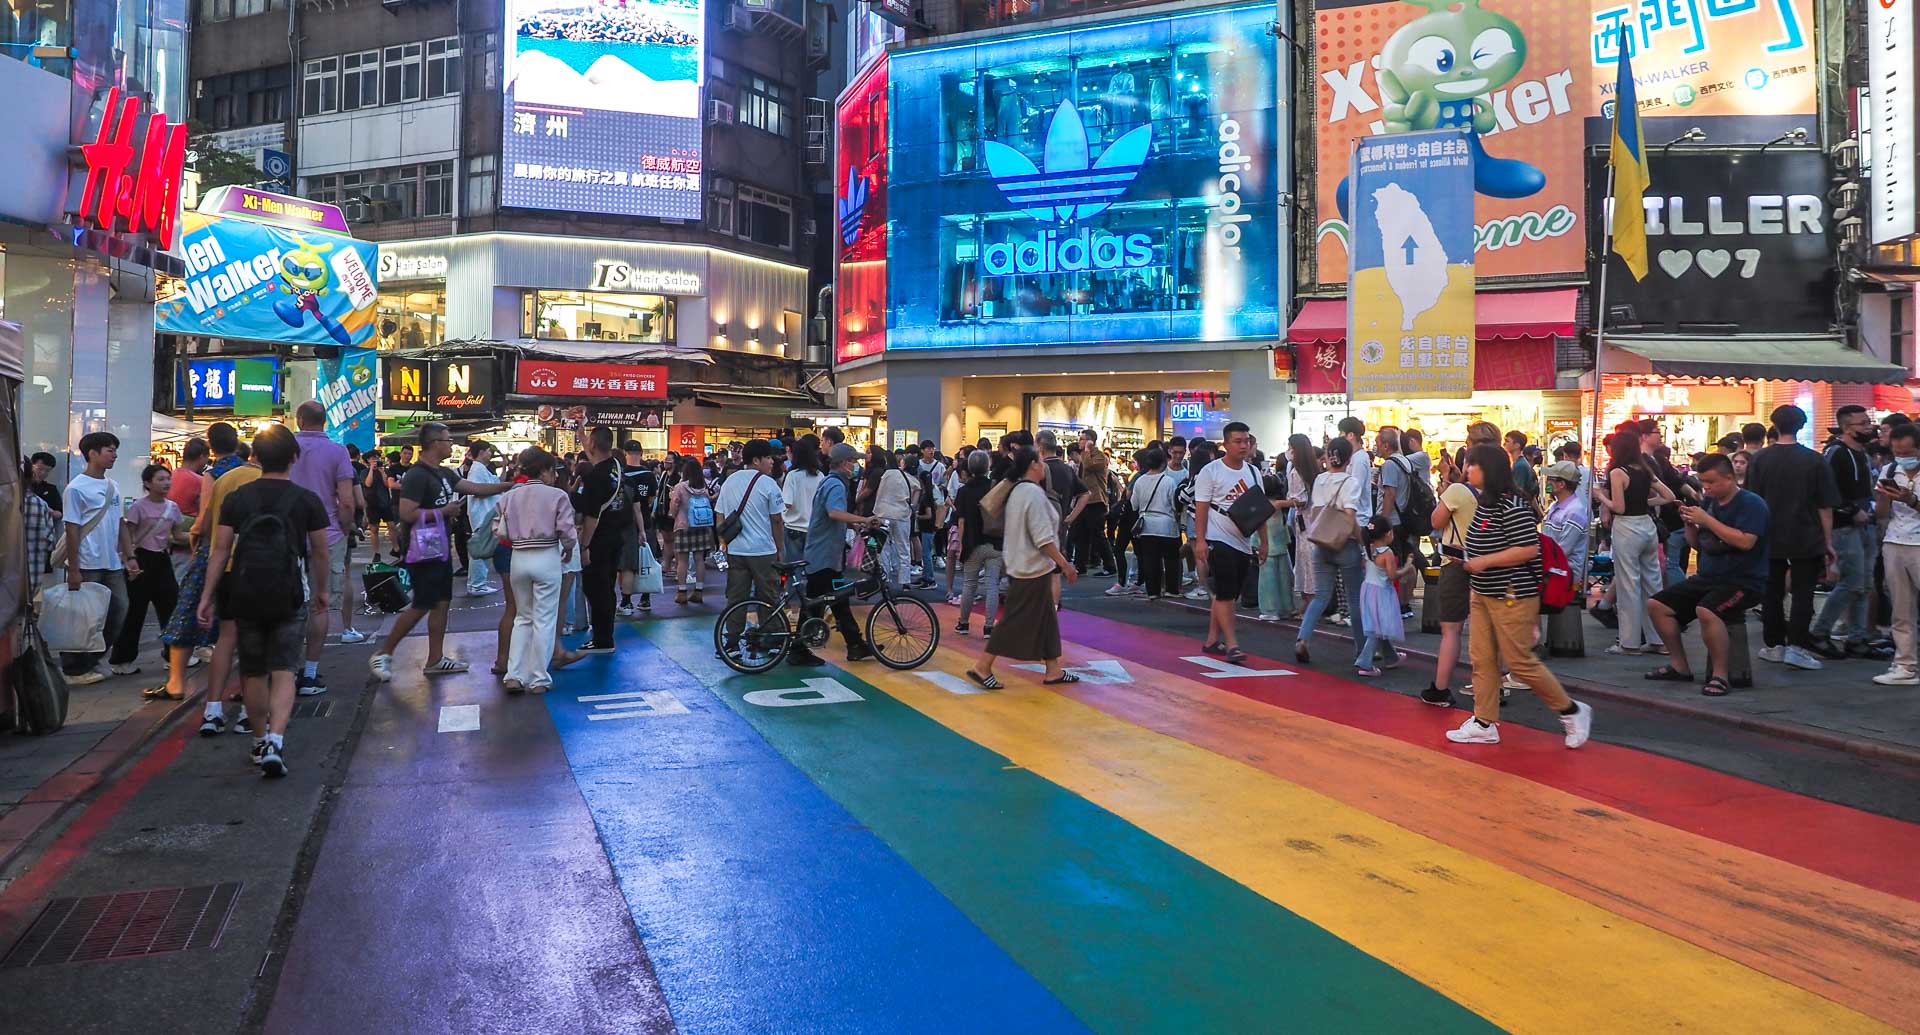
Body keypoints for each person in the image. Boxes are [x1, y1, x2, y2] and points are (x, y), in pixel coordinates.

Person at [196, 426, 331, 778]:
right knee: (285, 668)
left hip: (244, 592)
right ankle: (276, 738)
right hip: (289, 593)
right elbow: (320, 550)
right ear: (293, 457)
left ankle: (258, 739)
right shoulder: (306, 499)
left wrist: (207, 596)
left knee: (253, 670)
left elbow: (220, 550)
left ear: (254, 455)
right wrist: (322, 590)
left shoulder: (237, 498)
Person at [1444, 444, 1594, 748]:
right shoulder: (1485, 502)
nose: (1467, 470)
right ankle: (1484, 721)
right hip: (1484, 591)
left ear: (1489, 469)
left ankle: (1571, 710)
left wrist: (1483, 562)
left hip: (1511, 593)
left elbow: (1528, 549)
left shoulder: (1511, 504)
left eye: (1472, 465)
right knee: (1481, 659)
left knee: (1519, 661)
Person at [367, 422, 514, 680]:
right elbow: (406, 513)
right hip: (421, 549)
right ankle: (384, 653)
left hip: (441, 549)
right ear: (435, 443)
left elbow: (475, 489)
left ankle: (435, 658)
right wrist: (443, 512)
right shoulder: (416, 476)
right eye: (447, 440)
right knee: (422, 604)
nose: (451, 444)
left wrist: (509, 487)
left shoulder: (445, 474)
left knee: (442, 603)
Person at [1643, 453, 1770, 697]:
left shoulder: (1752, 504)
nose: (1707, 487)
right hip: (1708, 577)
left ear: (1730, 477)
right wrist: (1691, 524)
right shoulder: (1709, 504)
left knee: (1707, 610)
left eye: (1712, 482)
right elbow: (1698, 545)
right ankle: (1679, 665)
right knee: (1657, 605)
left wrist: (1707, 521)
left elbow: (1745, 542)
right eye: (1703, 482)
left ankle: (1720, 675)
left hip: (1744, 580)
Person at [964, 446, 1079, 689]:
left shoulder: (1018, 491)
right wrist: (1064, 564)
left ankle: (1053, 668)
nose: (1044, 465)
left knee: (1046, 617)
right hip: (1032, 568)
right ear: (1033, 465)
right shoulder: (1033, 494)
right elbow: (1043, 538)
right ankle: (982, 666)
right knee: (1012, 621)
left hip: (1021, 564)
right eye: (1040, 460)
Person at [1744, 405, 1839, 671]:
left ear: (1774, 425)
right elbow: (1825, 505)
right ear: (1802, 425)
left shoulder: (1760, 459)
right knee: (1803, 592)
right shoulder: (1815, 460)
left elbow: (1751, 499)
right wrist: (1828, 541)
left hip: (1768, 534)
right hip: (1805, 534)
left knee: (1772, 592)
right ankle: (1797, 646)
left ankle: (1774, 644)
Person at [288, 401, 358, 695]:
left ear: (299, 419)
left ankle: (284, 671)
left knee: (289, 606)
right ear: (325, 420)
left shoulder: (285, 446)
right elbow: (346, 500)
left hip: (287, 535)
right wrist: (344, 527)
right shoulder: (338, 451)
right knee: (320, 603)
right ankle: (310, 673)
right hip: (327, 536)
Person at [497, 448, 578, 693]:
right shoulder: (557, 496)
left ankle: (514, 675)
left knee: (523, 617)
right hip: (547, 557)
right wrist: (569, 547)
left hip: (518, 557)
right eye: (552, 470)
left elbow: (499, 529)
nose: (554, 475)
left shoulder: (510, 496)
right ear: (545, 470)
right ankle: (539, 679)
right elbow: (567, 531)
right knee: (544, 619)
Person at [1811, 404, 1888, 660]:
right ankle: (1820, 632)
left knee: (1864, 584)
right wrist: (1850, 510)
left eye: (1868, 422)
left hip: (1865, 524)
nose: (1869, 427)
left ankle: (1858, 638)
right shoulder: (1836, 453)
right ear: (1847, 428)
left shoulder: (1863, 454)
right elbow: (1825, 490)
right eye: (1863, 424)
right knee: (1851, 582)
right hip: (1844, 527)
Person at [793, 443, 877, 666]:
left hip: (824, 554)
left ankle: (855, 644)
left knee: (837, 600)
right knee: (816, 603)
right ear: (844, 463)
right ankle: (798, 648)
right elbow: (834, 512)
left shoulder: (829, 482)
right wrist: (862, 520)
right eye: (854, 461)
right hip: (824, 556)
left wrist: (853, 527)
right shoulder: (837, 485)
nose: (856, 465)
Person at [1593, 424, 1673, 656]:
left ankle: (1628, 643)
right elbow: (1669, 496)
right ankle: (1658, 640)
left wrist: (1601, 497)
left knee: (1629, 585)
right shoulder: (1645, 469)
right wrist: (1648, 503)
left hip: (1627, 527)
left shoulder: (1618, 472)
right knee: (1653, 584)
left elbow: (1618, 506)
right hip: (1647, 526)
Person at [62, 431, 135, 684]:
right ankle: (74, 668)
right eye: (109, 450)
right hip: (87, 563)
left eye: (114, 450)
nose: (114, 455)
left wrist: (129, 555)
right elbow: (71, 528)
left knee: (119, 609)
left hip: (112, 562)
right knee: (84, 617)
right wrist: (74, 568)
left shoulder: (112, 486)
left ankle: (91, 660)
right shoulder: (76, 488)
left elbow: (121, 523)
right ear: (92, 454)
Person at [1294, 436, 1365, 666]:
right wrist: (1362, 542)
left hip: (1320, 541)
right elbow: (1350, 516)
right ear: (1349, 458)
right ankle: (1362, 650)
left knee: (1320, 596)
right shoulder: (1351, 482)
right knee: (1355, 599)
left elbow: (1316, 510)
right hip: (1345, 545)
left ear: (1328, 457)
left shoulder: (1320, 480)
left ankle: (1303, 638)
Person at [111, 464, 183, 684]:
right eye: (160, 479)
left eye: (168, 479)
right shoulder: (138, 507)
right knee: (135, 611)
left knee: (171, 607)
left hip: (162, 560)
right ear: (147, 484)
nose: (166, 483)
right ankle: (122, 660)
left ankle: (173, 655)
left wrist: (202, 535)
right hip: (140, 559)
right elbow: (128, 536)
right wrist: (129, 559)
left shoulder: (173, 507)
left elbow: (177, 535)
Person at [716, 439, 787, 614]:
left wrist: (723, 543)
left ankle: (731, 638)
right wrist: (780, 548)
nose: (772, 462)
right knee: (768, 597)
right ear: (756, 460)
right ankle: (770, 637)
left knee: (736, 598)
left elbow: (720, 515)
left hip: (736, 551)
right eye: (768, 458)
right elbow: (777, 520)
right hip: (763, 550)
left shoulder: (729, 481)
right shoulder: (769, 484)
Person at [1873, 423, 1920, 685]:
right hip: (1894, 542)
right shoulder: (1890, 470)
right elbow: (1881, 515)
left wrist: (1910, 500)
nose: (1902, 456)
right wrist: (1884, 498)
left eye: (1908, 451)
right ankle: (1905, 665)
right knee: (1901, 609)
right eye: (1897, 451)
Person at [952, 449, 1004, 634]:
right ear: (987, 466)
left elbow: (961, 521)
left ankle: (964, 623)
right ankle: (989, 626)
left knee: (969, 584)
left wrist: (961, 545)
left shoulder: (963, 491)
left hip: (972, 542)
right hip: (995, 541)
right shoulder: (995, 487)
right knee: (992, 585)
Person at [1352, 517, 1404, 676]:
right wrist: (1408, 568)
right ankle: (1365, 661)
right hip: (1382, 592)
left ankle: (1391, 657)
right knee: (1377, 628)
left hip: (1368, 589)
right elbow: (1392, 575)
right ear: (1388, 534)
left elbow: (1363, 565)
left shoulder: (1368, 548)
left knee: (1378, 625)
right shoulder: (1387, 553)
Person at [1129, 446, 1183, 599]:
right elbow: (1174, 505)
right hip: (1166, 524)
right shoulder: (1168, 481)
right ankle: (1171, 589)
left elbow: (1134, 505)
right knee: (1171, 559)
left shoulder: (1140, 481)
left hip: (1146, 525)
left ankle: (1153, 591)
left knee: (1150, 560)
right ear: (1163, 463)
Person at [668, 455, 716, 604]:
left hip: (683, 526)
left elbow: (674, 507)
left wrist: (673, 514)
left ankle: (682, 592)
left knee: (682, 560)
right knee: (699, 559)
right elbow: (709, 501)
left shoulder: (680, 487)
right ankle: (698, 591)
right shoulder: (703, 487)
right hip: (701, 526)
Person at [461, 441, 502, 596]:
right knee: (480, 550)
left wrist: (504, 462)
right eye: (488, 451)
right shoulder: (477, 470)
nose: (490, 454)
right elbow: (478, 490)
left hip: (485, 514)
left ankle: (477, 583)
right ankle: (477, 585)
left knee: (481, 548)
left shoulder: (482, 469)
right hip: (481, 514)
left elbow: (496, 482)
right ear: (482, 452)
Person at [1075, 429, 1117, 578]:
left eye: (1082, 439)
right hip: (1084, 499)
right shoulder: (1084, 456)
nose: (1080, 441)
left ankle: (1110, 566)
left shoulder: (1099, 456)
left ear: (1090, 441)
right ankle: (1080, 565)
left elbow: (1089, 466)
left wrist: (1086, 450)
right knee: (1081, 533)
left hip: (1096, 500)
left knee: (1098, 534)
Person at [782, 436, 824, 563]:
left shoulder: (793, 475)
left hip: (794, 528)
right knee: (812, 568)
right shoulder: (820, 475)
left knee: (793, 570)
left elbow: (787, 503)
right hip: (814, 528)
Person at [1506, 430, 1538, 501]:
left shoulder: (1520, 465)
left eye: (1507, 441)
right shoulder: (1518, 463)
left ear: (1517, 445)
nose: (1504, 443)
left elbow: (1517, 490)